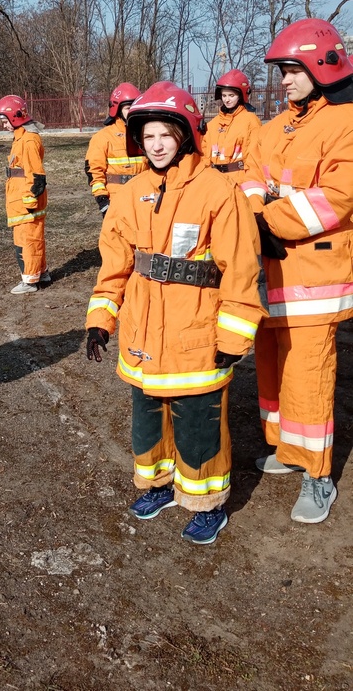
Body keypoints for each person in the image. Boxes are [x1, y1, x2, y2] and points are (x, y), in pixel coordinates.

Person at [86, 82, 264, 545]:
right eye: (148, 136)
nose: (157, 144)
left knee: (199, 428)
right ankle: (159, 485)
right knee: (148, 421)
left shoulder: (218, 191)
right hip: (143, 339)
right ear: (137, 142)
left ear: (185, 134)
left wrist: (232, 338)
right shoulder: (130, 194)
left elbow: (241, 270)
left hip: (195, 339)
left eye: (166, 133)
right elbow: (114, 265)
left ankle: (208, 504)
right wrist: (100, 322)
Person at [240, 18, 353, 524]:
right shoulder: (273, 128)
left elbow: (337, 196)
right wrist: (255, 214)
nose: (283, 80)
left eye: (292, 70)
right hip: (270, 275)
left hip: (315, 278)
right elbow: (248, 179)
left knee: (308, 375)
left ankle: (318, 475)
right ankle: (288, 449)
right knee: (273, 365)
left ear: (321, 66)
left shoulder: (346, 123)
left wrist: (269, 219)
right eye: (281, 71)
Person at [0, 95, 49, 294]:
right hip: (20, 198)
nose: (3, 125)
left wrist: (30, 198)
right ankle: (41, 273)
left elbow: (36, 174)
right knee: (31, 237)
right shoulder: (21, 138)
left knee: (27, 240)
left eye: (4, 121)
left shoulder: (28, 140)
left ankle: (30, 280)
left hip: (26, 200)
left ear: (14, 117)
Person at [84, 83, 146, 217]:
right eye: (129, 108)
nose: (133, 112)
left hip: (143, 198)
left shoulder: (145, 135)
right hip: (116, 199)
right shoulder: (102, 138)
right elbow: (94, 171)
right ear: (117, 109)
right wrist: (102, 200)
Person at [201, 69, 262, 183]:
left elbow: (254, 157)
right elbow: (204, 153)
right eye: (224, 95)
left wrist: (250, 184)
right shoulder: (213, 124)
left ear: (240, 96)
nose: (227, 100)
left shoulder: (250, 121)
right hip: (214, 180)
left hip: (238, 180)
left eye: (231, 95)